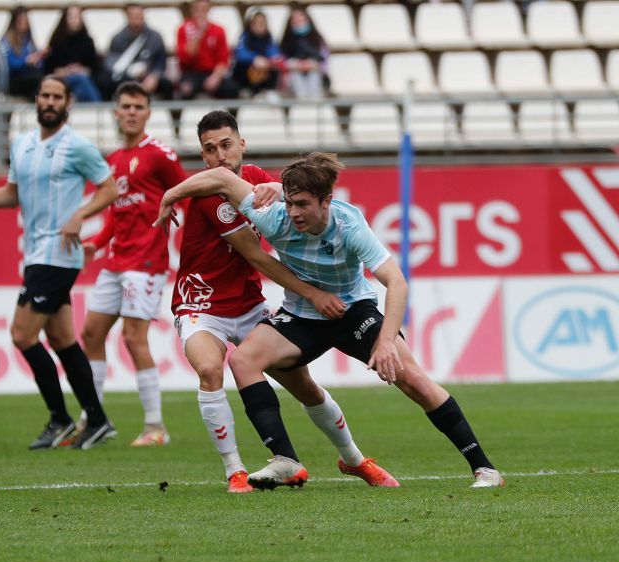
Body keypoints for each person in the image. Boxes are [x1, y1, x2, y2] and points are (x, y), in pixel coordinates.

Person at [158, 150, 504, 489]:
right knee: (245, 360)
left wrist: (385, 343)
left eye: (303, 204)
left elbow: (396, 282)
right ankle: (286, 459)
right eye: (290, 202)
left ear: (326, 202)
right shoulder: (273, 216)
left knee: (412, 378)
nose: (294, 213)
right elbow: (220, 177)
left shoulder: (349, 224)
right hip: (303, 314)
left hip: (352, 311)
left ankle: (484, 469)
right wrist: (171, 195)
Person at [155, 110, 398, 493]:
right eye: (209, 149)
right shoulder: (208, 195)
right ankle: (237, 470)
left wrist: (273, 189)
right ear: (202, 157)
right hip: (201, 304)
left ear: (242, 144)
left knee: (303, 385)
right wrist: (313, 293)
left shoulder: (258, 180)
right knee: (209, 369)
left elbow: (294, 196)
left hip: (250, 303)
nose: (219, 155)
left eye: (226, 144)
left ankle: (354, 459)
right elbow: (257, 256)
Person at [0, 76, 119, 450]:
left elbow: (110, 188)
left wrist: (81, 214)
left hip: (59, 255)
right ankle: (96, 420)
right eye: (44, 95)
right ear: (36, 100)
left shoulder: (78, 146)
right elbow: (13, 194)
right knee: (62, 338)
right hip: (35, 253)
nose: (49, 101)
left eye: (56, 97)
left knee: (22, 334)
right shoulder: (23, 144)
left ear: (67, 104)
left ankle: (61, 419)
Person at [79, 81, 186, 446]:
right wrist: (95, 243)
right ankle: (92, 418)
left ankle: (155, 427)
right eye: (125, 106)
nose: (130, 112)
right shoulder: (113, 160)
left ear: (148, 113)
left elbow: (186, 192)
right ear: (115, 111)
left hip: (145, 261)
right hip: (115, 260)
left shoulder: (159, 154)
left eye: (137, 107)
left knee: (132, 338)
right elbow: (115, 212)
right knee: (91, 334)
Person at [98, 4, 173, 102]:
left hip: (149, 76)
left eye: (139, 16)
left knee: (167, 86)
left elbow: (160, 61)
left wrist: (154, 76)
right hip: (125, 78)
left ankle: (174, 117)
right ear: (127, 17)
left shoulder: (155, 38)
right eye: (133, 16)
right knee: (106, 84)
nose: (136, 19)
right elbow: (113, 65)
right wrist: (131, 72)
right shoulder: (118, 39)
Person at [176, 0, 239, 101]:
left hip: (212, 72)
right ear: (192, 10)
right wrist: (198, 34)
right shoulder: (183, 29)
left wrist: (215, 77)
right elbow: (184, 58)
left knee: (232, 89)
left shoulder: (219, 30)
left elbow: (223, 60)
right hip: (191, 73)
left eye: (204, 10)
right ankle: (177, 117)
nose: (200, 13)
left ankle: (231, 116)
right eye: (197, 10)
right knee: (184, 90)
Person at [43, 5, 102, 103]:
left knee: (81, 86)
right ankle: (98, 106)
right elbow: (49, 68)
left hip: (82, 78)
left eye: (77, 16)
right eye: (71, 16)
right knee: (82, 80)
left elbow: (94, 66)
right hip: (62, 78)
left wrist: (83, 69)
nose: (74, 20)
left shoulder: (87, 41)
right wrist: (64, 70)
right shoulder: (56, 41)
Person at [278, 3, 329, 99]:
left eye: (302, 20)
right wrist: (296, 65)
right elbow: (281, 61)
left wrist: (312, 64)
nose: (299, 23)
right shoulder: (286, 42)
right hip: (293, 76)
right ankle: (301, 98)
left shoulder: (317, 40)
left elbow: (324, 60)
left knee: (314, 71)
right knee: (294, 71)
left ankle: (315, 97)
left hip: (314, 73)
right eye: (295, 21)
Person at [233, 7, 283, 101]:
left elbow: (275, 53)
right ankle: (246, 90)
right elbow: (240, 53)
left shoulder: (270, 38)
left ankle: (268, 90)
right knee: (241, 66)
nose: (259, 25)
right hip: (247, 73)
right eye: (256, 22)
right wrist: (254, 59)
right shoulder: (244, 37)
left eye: (262, 23)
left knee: (273, 69)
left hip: (264, 70)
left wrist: (267, 61)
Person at [0, 6, 46, 100]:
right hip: (13, 80)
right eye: (21, 21)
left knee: (38, 90)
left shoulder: (28, 40)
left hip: (29, 78)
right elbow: (9, 64)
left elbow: (39, 64)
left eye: (26, 21)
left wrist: (39, 58)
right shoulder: (5, 42)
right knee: (39, 81)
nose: (24, 24)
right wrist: (26, 61)